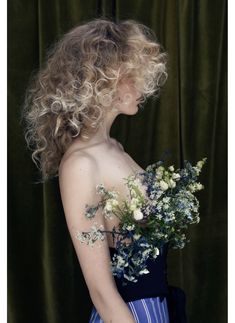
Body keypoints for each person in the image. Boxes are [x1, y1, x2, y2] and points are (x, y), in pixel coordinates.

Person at [21, 17, 178, 322]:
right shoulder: (81, 165)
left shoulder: (114, 147)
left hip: (155, 306)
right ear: (103, 82)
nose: (143, 85)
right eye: (133, 75)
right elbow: (101, 291)